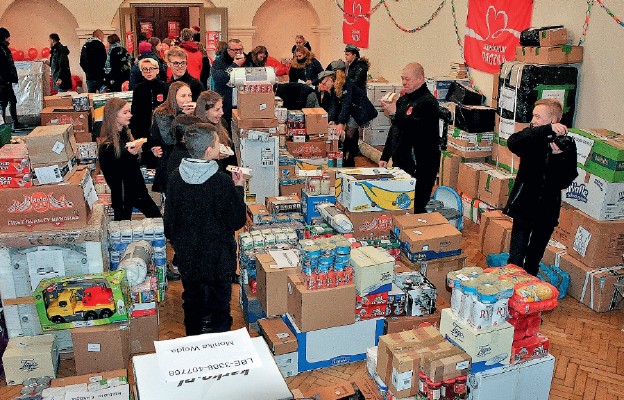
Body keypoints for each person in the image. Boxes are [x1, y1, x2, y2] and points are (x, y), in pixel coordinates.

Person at [164, 123, 247, 335]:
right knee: (219, 303)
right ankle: (219, 346)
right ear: (209, 151)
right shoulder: (221, 182)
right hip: (218, 257)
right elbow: (237, 221)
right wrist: (238, 188)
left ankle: (193, 341)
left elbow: (169, 223)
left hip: (188, 256)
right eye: (218, 143)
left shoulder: (175, 177)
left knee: (191, 300)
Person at [504, 99, 578, 276]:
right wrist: (544, 130)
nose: (533, 120)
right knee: (516, 257)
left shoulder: (567, 143)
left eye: (538, 116)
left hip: (547, 209)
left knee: (534, 258)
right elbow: (513, 142)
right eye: (533, 116)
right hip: (524, 205)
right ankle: (512, 286)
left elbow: (565, 180)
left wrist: (558, 157)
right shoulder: (531, 137)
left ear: (553, 120)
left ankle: (529, 290)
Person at [379, 63, 441, 214]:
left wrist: (396, 114)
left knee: (416, 206)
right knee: (400, 203)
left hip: (420, 165)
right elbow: (395, 129)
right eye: (402, 79)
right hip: (401, 163)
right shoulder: (404, 100)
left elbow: (417, 130)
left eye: (408, 79)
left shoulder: (428, 103)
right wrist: (385, 155)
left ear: (420, 79)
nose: (404, 82)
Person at [97, 98, 162, 221]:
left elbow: (131, 161)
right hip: (123, 195)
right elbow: (119, 166)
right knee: (121, 230)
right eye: (125, 112)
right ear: (114, 116)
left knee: (158, 220)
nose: (130, 115)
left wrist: (147, 153)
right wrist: (134, 153)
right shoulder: (107, 146)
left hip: (137, 191)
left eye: (129, 112)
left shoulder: (125, 135)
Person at [148, 81, 196, 195]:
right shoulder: (162, 113)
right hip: (170, 161)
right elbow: (169, 139)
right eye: (183, 96)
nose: (188, 99)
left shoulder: (194, 112)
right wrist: (184, 117)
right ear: (174, 97)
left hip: (189, 161)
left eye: (189, 95)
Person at [335, 75, 377, 167]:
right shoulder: (337, 87)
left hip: (359, 110)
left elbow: (346, 104)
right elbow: (337, 106)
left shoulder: (347, 85)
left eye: (325, 82)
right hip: (353, 110)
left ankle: (348, 157)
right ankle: (350, 156)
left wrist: (341, 122)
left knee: (350, 133)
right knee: (350, 133)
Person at [211, 38, 252, 131]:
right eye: (235, 50)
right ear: (228, 50)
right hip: (226, 103)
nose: (238, 52)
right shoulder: (219, 62)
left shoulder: (247, 61)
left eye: (240, 49)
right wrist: (234, 65)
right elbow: (219, 78)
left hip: (244, 102)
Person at [194, 90, 238, 172]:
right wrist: (215, 155)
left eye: (221, 107)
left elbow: (232, 154)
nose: (222, 112)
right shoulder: (196, 130)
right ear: (205, 112)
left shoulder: (223, 123)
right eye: (217, 109)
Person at [129, 58, 167, 139]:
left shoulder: (164, 87)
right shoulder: (138, 88)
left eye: (151, 69)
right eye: (145, 69)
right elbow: (135, 110)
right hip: (143, 129)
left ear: (157, 70)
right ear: (142, 72)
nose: (148, 72)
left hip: (162, 127)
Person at [0, 27, 22, 129]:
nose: (9, 40)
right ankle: (3, 125)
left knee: (12, 100)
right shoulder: (1, 49)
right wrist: (5, 80)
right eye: (8, 37)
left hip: (6, 81)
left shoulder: (4, 48)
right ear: (4, 37)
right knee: (3, 103)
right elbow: (3, 67)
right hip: (3, 82)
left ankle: (14, 123)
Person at [80, 29, 107, 93]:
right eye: (103, 37)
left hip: (89, 77)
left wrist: (87, 71)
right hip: (100, 76)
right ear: (99, 36)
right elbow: (104, 60)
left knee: (91, 97)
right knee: (103, 97)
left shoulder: (85, 46)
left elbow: (81, 62)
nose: (103, 39)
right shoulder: (100, 45)